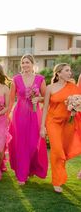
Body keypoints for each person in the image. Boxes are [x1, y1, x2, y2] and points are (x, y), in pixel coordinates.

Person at [40, 63, 81, 193]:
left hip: (69, 123)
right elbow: (45, 107)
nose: (70, 73)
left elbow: (79, 102)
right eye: (67, 70)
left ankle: (60, 176)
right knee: (57, 150)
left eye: (70, 71)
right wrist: (42, 126)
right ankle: (57, 181)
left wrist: (75, 109)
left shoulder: (74, 87)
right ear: (58, 73)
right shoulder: (50, 88)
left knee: (64, 149)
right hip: (53, 122)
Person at [9, 54, 48, 185]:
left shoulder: (40, 79)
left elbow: (46, 97)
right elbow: (10, 99)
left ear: (32, 64)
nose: (25, 65)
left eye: (27, 62)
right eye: (23, 62)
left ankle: (31, 169)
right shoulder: (16, 79)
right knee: (20, 144)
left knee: (32, 143)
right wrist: (5, 115)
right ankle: (21, 174)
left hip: (35, 114)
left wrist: (39, 99)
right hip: (19, 114)